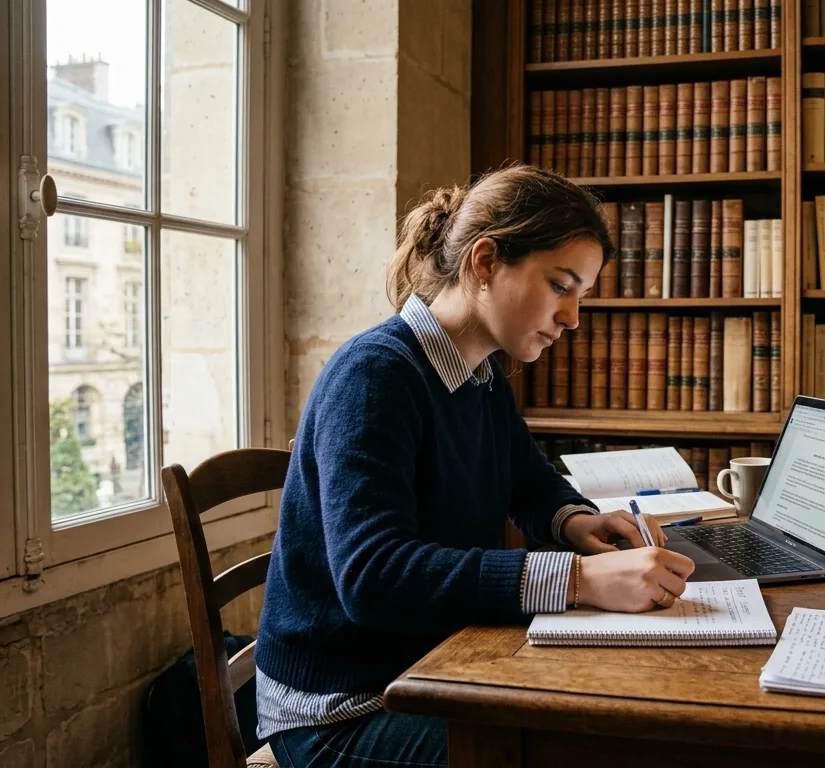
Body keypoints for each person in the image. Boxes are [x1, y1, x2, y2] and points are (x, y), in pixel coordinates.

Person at [255, 164, 697, 768]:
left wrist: (575, 523)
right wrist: (580, 580)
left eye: (581, 295)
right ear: (485, 261)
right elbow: (373, 578)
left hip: (436, 666)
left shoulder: (480, 373)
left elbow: (526, 478)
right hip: (344, 709)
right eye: (561, 285)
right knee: (581, 746)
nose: (572, 318)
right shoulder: (375, 376)